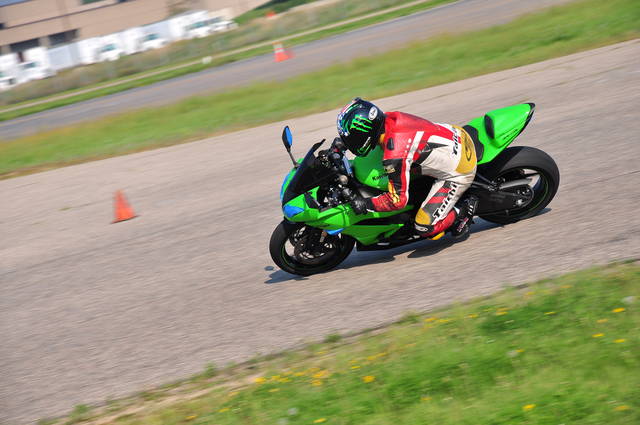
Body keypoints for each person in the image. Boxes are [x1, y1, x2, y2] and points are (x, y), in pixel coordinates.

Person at [337, 98, 477, 239]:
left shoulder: (394, 153)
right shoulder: (390, 118)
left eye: (350, 138)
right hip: (456, 134)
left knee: (424, 227)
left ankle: (463, 208)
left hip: (460, 171)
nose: (349, 141)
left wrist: (366, 204)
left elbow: (398, 200)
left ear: (362, 134)